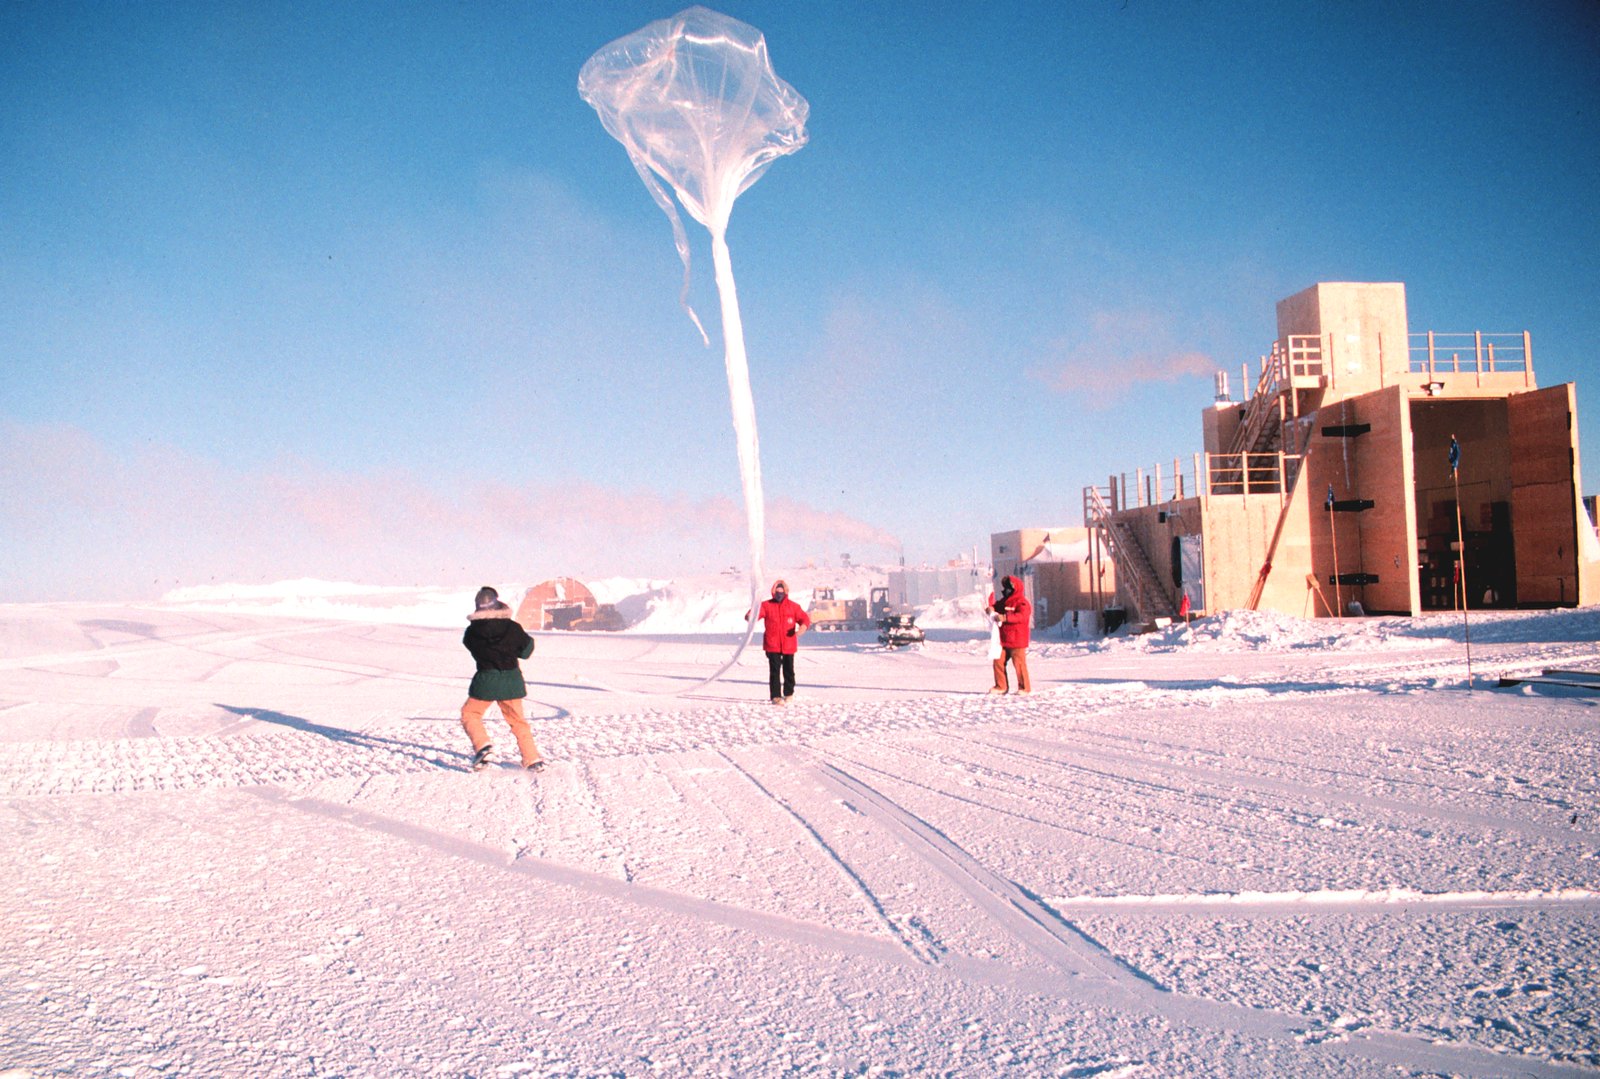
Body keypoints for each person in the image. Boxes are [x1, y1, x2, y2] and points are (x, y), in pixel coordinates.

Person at [460, 586, 546, 772]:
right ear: (497, 604)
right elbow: (526, 651)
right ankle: (532, 759)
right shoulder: (512, 627)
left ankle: (483, 746)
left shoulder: (471, 633)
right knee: (518, 722)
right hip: (511, 680)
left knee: (470, 714)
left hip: (486, 680)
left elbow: (473, 647)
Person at [750, 579, 810, 704]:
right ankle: (776, 696)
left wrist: (803, 627)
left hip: (789, 644)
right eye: (777, 592)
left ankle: (788, 694)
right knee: (775, 671)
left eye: (781, 592)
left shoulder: (793, 607)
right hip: (772, 645)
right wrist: (751, 614)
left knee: (789, 670)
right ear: (773, 592)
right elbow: (754, 615)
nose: (779, 594)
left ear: (786, 592)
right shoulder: (766, 605)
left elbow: (804, 618)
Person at [989, 575, 1032, 695]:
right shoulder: (1004, 602)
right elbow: (996, 607)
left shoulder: (1022, 602)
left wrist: (1006, 617)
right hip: (1003, 639)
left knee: (1019, 664)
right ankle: (1001, 686)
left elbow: (1022, 616)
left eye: (1009, 587)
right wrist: (991, 609)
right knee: (998, 660)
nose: (1006, 590)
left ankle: (1024, 687)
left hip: (1017, 639)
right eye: (1006, 587)